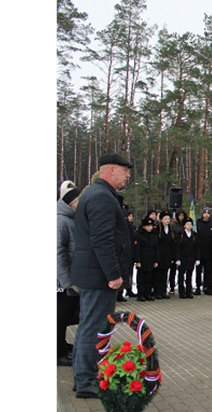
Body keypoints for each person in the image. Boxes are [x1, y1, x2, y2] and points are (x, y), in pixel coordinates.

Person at [70, 153, 134, 399]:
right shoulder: (101, 197)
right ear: (111, 170)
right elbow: (102, 240)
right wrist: (114, 275)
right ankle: (87, 380)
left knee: (89, 325)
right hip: (98, 276)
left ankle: (83, 376)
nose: (127, 175)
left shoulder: (97, 194)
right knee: (94, 327)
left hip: (93, 274)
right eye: (124, 170)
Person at [56, 181, 81, 366]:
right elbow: (58, 252)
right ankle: (58, 353)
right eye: (78, 200)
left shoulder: (70, 218)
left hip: (67, 277)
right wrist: (66, 281)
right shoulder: (60, 219)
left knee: (65, 314)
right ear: (69, 202)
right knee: (60, 315)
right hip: (60, 280)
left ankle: (61, 345)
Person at [134, 217, 159, 302]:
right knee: (141, 277)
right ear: (144, 226)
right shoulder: (139, 235)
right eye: (148, 226)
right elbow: (137, 249)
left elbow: (156, 249)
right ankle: (140, 294)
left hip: (151, 258)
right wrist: (137, 261)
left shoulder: (154, 236)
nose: (150, 228)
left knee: (149, 277)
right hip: (142, 258)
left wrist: (156, 260)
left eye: (151, 226)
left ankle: (148, 293)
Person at [154, 211, 177, 300]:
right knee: (158, 274)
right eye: (165, 219)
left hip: (167, 253)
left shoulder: (171, 229)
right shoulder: (158, 229)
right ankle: (157, 291)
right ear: (161, 220)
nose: (167, 221)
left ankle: (163, 291)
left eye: (168, 219)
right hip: (160, 253)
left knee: (165, 273)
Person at [195, 208, 212, 295]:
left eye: (208, 214)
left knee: (208, 271)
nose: (206, 215)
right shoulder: (198, 223)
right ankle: (198, 287)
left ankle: (208, 287)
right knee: (198, 270)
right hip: (199, 251)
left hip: (209, 251)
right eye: (205, 213)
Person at [177, 218, 199, 298]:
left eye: (190, 224)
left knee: (189, 274)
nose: (189, 226)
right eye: (187, 224)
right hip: (183, 257)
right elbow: (178, 247)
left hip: (191, 257)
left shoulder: (194, 234)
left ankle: (189, 291)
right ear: (184, 226)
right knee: (181, 275)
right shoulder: (180, 234)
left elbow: (197, 247)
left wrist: (197, 258)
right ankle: (181, 291)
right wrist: (178, 258)